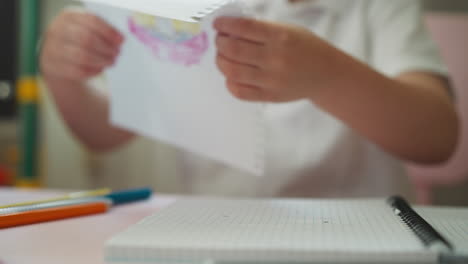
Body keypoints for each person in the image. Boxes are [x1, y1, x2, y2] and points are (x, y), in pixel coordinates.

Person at [39, 0, 459, 199]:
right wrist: (62, 75)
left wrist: (329, 75)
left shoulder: (379, 7)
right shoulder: (189, 7)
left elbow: (437, 136)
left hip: (361, 238)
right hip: (215, 234)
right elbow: (104, 132)